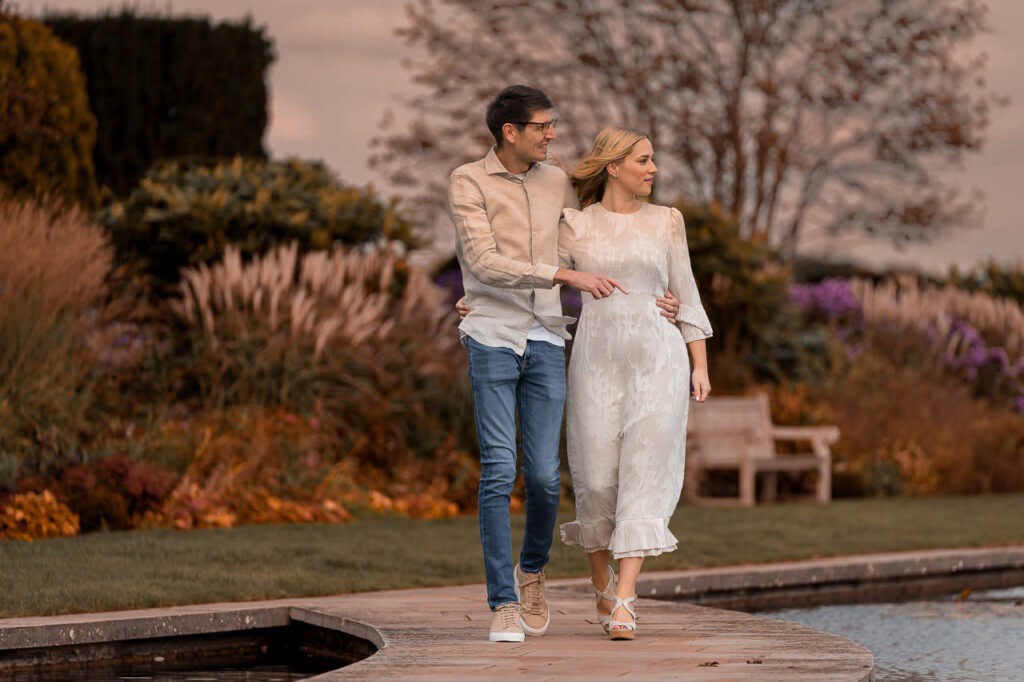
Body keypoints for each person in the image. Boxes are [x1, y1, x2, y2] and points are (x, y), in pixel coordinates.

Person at [447, 86, 682, 643]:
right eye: (542, 126)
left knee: (547, 478)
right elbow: (483, 259)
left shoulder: (557, 182)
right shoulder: (467, 181)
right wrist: (555, 277)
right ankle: (504, 603)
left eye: (552, 124)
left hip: (547, 337)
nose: (552, 134)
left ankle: (532, 570)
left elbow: (601, 237)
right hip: (492, 335)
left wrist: (658, 295)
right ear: (510, 131)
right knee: (499, 469)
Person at [557, 127, 713, 640]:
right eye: (643, 160)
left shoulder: (667, 221)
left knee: (643, 472)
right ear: (613, 167)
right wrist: (479, 301)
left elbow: (686, 292)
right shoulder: (575, 225)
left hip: (659, 361)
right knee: (598, 479)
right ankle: (600, 581)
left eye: (653, 160)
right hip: (596, 364)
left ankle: (625, 597)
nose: (653, 169)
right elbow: (539, 279)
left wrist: (699, 364)